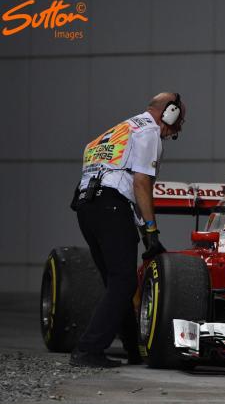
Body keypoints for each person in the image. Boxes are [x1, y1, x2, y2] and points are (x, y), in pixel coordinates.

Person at [69, 92, 185, 368]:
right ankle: (88, 349)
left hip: (87, 208)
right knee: (123, 281)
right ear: (169, 113)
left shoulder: (116, 131)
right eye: (179, 121)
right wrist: (151, 232)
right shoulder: (148, 133)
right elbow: (141, 183)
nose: (175, 130)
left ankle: (133, 349)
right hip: (111, 206)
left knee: (116, 282)